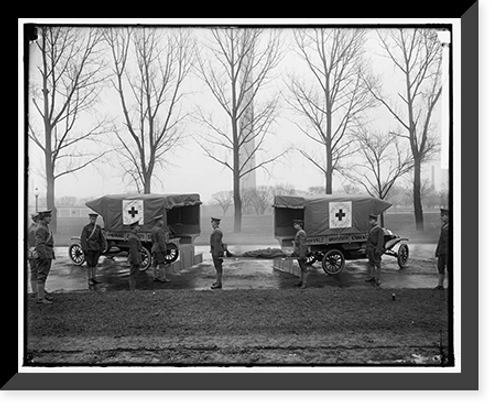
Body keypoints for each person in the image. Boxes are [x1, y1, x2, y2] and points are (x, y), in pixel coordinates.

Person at [35, 210, 55, 304]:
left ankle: (42, 294)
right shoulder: (41, 228)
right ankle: (40, 298)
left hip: (47, 253)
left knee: (44, 275)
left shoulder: (44, 226)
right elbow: (40, 244)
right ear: (43, 217)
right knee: (41, 276)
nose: (50, 218)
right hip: (44, 255)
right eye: (48, 217)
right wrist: (44, 257)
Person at [81, 213, 106, 287]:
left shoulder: (98, 227)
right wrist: (85, 248)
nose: (93, 220)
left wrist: (103, 246)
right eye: (92, 219)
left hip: (96, 248)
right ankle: (89, 279)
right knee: (89, 264)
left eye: (94, 219)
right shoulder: (86, 228)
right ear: (89, 219)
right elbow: (83, 239)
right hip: (89, 248)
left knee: (95, 263)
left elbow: (101, 237)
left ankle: (94, 277)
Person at [365, 213, 384, 287]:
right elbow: (368, 240)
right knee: (371, 263)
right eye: (369, 220)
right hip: (370, 248)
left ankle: (378, 279)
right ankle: (372, 277)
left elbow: (380, 241)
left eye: (371, 220)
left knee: (377, 264)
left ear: (375, 220)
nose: (370, 221)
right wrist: (367, 249)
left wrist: (378, 249)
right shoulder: (371, 228)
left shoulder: (379, 229)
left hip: (375, 248)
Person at [151, 214, 170, 283]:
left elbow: (152, 240)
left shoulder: (153, 229)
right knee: (161, 263)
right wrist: (164, 249)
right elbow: (161, 242)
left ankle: (154, 276)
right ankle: (163, 278)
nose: (162, 222)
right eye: (161, 220)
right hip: (159, 249)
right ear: (158, 222)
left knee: (154, 263)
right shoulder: (159, 230)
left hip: (154, 248)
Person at [435, 208, 451, 290]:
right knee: (440, 267)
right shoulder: (444, 226)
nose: (441, 218)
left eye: (443, 216)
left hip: (448, 251)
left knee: (449, 268)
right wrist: (437, 251)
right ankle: (440, 285)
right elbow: (440, 240)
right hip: (442, 251)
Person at [291, 219, 309, 289]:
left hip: (301, 254)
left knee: (304, 268)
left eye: (296, 224)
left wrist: (302, 255)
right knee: (301, 267)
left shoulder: (301, 233)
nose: (294, 226)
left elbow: (302, 245)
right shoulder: (299, 232)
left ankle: (304, 284)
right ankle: (301, 281)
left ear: (299, 225)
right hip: (298, 253)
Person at [210, 217, 224, 289]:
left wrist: (216, 253)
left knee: (218, 268)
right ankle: (218, 281)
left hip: (217, 253)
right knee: (218, 268)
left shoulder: (216, 232)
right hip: (217, 251)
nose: (211, 223)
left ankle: (218, 283)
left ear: (215, 223)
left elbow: (217, 244)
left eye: (212, 222)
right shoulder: (217, 231)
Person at [127, 221, 142, 291]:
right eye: (138, 226)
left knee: (134, 275)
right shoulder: (133, 237)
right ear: (134, 228)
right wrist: (136, 260)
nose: (139, 228)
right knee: (133, 275)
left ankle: (133, 289)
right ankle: (132, 290)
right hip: (134, 258)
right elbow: (133, 251)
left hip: (136, 256)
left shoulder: (134, 236)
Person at [27, 213, 39, 298]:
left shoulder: (31, 227)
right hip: (34, 251)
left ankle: (38, 289)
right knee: (35, 271)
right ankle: (35, 290)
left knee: (36, 271)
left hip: (32, 251)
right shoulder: (34, 229)